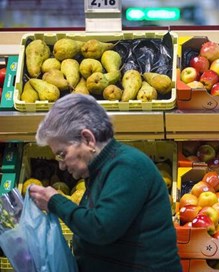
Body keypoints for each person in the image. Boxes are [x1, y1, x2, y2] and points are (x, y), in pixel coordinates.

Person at [29, 93, 182, 272]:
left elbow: (101, 229)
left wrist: (55, 202)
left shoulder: (127, 166)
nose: (61, 166)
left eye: (62, 154)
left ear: (88, 139)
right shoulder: (100, 171)